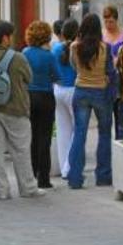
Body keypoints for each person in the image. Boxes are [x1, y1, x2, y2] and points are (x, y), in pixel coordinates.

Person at [0, 20, 45, 200]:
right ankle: (28, 188)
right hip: (16, 108)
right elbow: (28, 78)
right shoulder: (18, 58)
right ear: (5, 38)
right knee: (21, 149)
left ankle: (2, 190)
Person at [68, 13, 115, 189]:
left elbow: (74, 67)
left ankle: (75, 178)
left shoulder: (75, 46)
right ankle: (103, 176)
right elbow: (110, 71)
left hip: (80, 91)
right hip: (100, 92)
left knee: (79, 134)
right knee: (104, 134)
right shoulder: (106, 48)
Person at [23, 21, 60, 189]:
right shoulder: (49, 56)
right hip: (46, 96)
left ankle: (31, 173)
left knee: (31, 135)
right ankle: (43, 179)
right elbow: (57, 76)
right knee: (45, 137)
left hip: (29, 96)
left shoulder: (25, 53)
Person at [52, 18, 78, 180]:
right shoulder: (78, 48)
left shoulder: (55, 48)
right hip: (74, 90)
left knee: (63, 130)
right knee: (78, 129)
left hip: (58, 89)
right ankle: (71, 165)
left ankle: (64, 168)